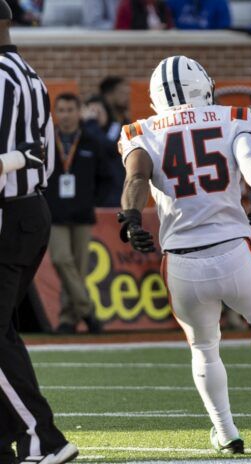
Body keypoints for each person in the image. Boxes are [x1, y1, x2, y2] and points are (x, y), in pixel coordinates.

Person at [117, 55, 251, 454]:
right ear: (202, 85)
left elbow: (136, 176)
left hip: (182, 261)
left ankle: (226, 432)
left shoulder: (142, 130)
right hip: (233, 248)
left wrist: (132, 219)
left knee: (204, 347)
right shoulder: (231, 117)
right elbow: (250, 159)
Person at [0, 3, 79, 463]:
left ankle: (43, 439)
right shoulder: (30, 75)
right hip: (31, 209)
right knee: (3, 334)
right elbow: (41, 158)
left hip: (7, 212)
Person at [45, 93, 107, 335]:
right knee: (61, 260)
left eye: (71, 110)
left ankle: (68, 320)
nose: (66, 115)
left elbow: (106, 176)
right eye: (61, 110)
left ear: (79, 112)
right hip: (55, 214)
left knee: (78, 270)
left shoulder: (91, 142)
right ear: (55, 113)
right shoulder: (49, 142)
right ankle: (88, 311)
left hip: (82, 214)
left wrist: (92, 200)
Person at [97, 76, 131, 207]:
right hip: (104, 196)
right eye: (122, 93)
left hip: (124, 191)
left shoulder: (125, 122)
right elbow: (107, 148)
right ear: (109, 95)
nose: (126, 97)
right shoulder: (99, 123)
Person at [166, 0, 231, 30]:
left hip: (208, 47)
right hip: (180, 45)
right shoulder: (173, 2)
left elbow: (224, 29)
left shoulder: (220, 3)